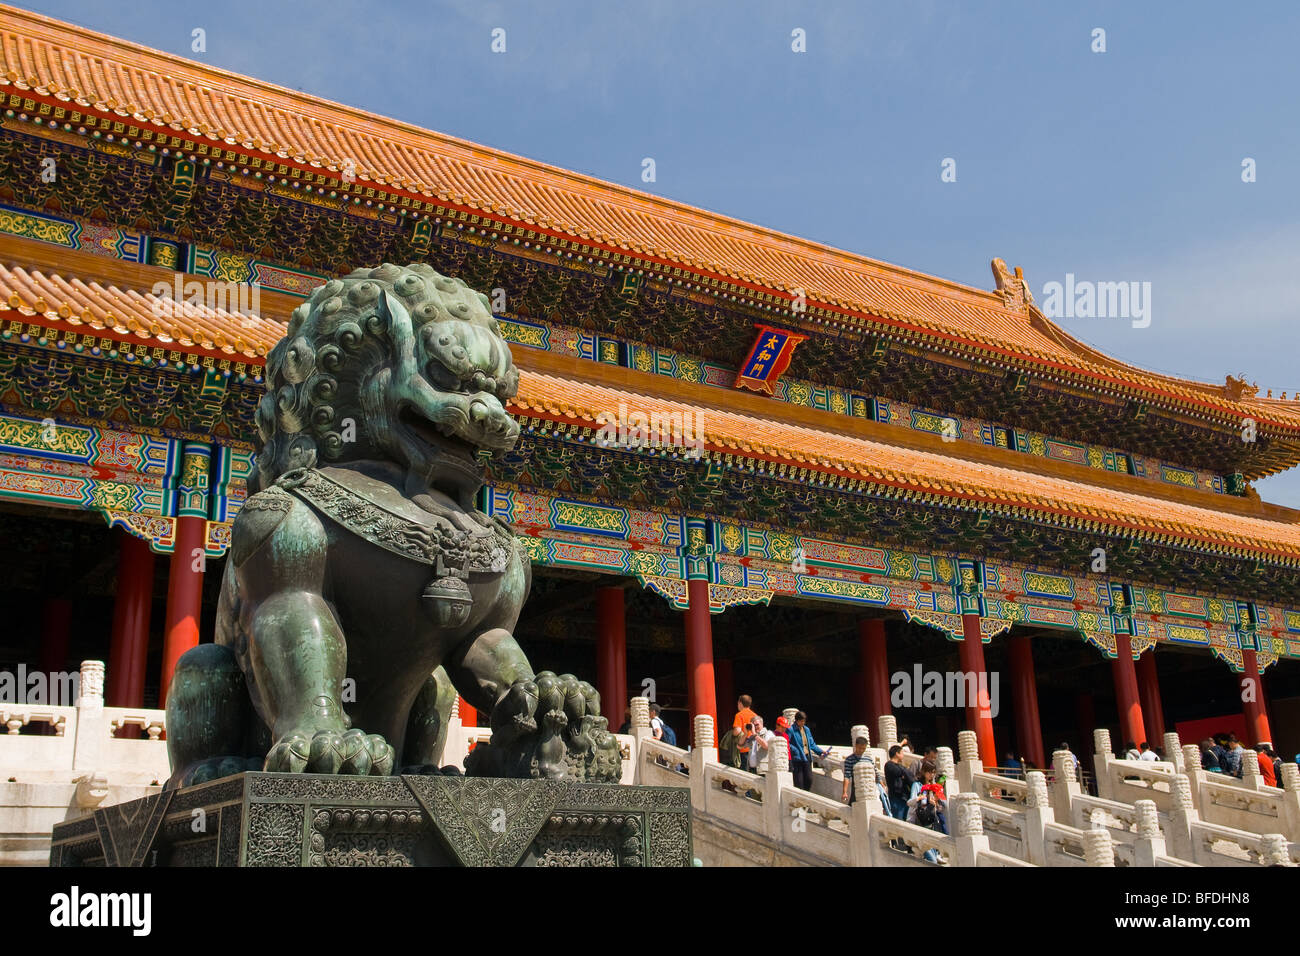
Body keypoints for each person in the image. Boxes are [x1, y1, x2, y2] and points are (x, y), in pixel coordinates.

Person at [907, 763, 948, 863]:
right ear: (924, 772)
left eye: (934, 772)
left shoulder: (933, 786)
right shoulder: (917, 785)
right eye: (930, 772)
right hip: (918, 820)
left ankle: (937, 854)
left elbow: (944, 804)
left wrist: (936, 801)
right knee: (929, 856)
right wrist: (920, 798)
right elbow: (910, 802)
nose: (932, 775)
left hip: (930, 822)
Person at [787, 711, 831, 791]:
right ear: (797, 720)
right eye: (801, 721)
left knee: (809, 779)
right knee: (799, 782)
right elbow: (787, 743)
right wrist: (795, 750)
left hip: (807, 757)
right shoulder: (791, 730)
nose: (803, 723)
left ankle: (806, 794)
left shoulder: (806, 729)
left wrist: (821, 752)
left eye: (804, 721)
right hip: (797, 759)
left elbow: (811, 743)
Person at [884, 745, 914, 822]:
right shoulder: (889, 765)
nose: (903, 755)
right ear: (897, 753)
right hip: (896, 797)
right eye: (902, 753)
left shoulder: (900, 766)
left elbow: (908, 774)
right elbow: (899, 772)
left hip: (905, 797)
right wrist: (904, 772)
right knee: (898, 820)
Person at [841, 737, 870, 804]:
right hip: (857, 786)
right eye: (860, 748)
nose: (861, 750)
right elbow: (847, 776)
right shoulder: (849, 759)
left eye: (864, 749)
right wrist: (844, 792)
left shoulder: (868, 759)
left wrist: (881, 784)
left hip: (868, 786)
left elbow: (875, 772)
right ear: (856, 746)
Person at [733, 695, 757, 768]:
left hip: (743, 748)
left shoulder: (739, 715)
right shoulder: (755, 715)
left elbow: (737, 731)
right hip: (754, 748)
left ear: (740, 703)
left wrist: (732, 733)